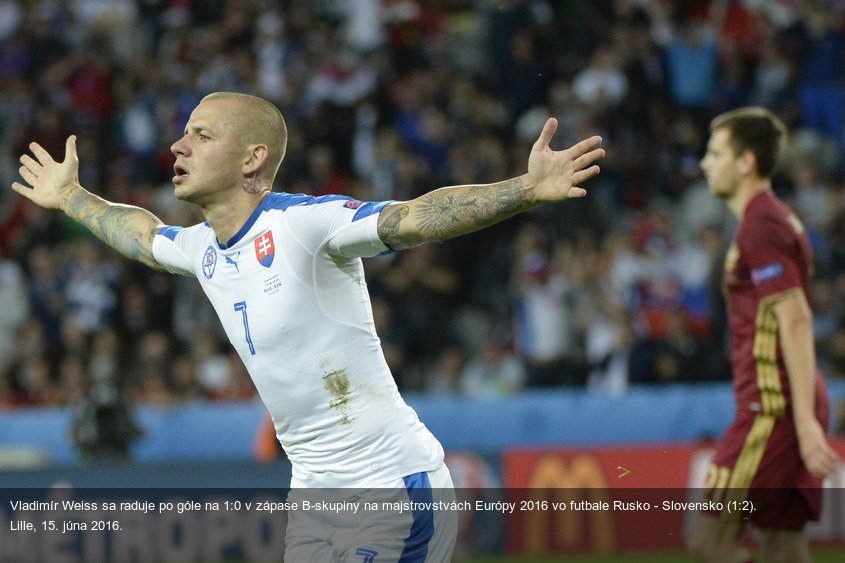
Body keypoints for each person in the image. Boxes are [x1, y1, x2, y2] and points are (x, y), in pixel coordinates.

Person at [12, 91, 604, 562]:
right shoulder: (203, 250)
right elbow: (138, 235)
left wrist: (525, 189)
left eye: (201, 134)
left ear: (252, 158)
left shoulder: (305, 224)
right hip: (314, 498)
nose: (178, 145)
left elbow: (416, 217)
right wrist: (70, 197)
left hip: (389, 487)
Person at [689, 106, 840, 563]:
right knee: (785, 548)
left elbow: (794, 318)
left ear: (746, 161)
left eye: (715, 153)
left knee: (708, 544)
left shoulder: (762, 224)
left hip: (771, 405)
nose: (704, 164)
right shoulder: (772, 218)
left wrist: (803, 423)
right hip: (791, 400)